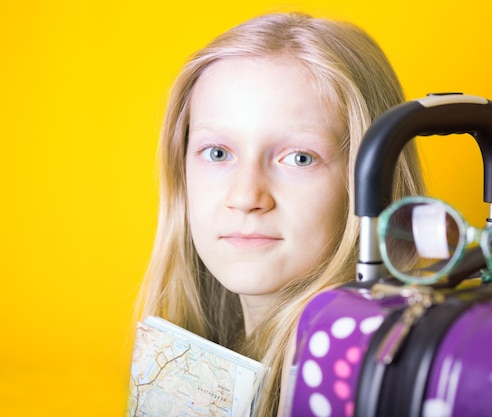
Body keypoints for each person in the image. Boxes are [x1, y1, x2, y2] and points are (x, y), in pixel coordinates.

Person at [135, 11, 425, 417]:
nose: (246, 196)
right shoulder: (195, 365)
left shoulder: (373, 383)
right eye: (218, 153)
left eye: (300, 157)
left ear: (373, 181)